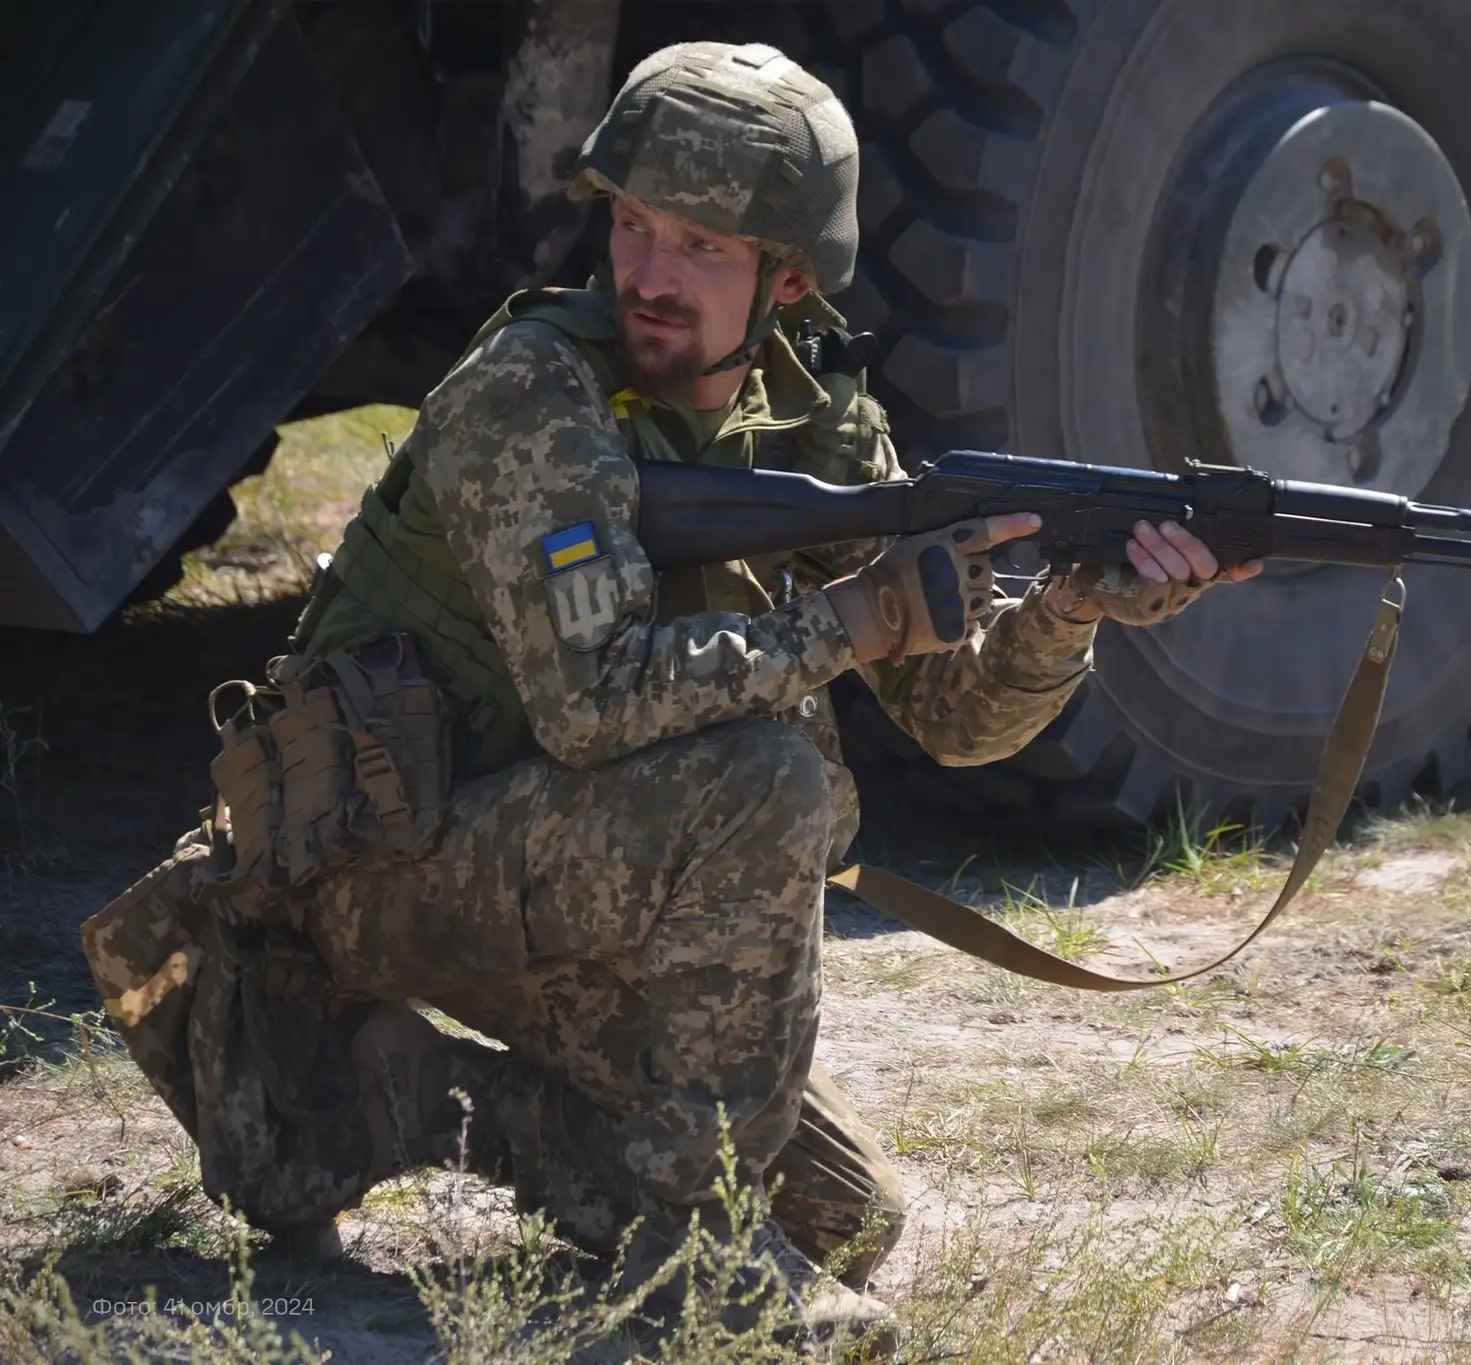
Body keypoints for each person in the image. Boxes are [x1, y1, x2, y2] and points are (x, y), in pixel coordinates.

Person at [81, 39, 1257, 1353]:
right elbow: (595, 704)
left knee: (850, 1221)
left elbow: (955, 721)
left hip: (560, 873)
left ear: (789, 275)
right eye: (636, 227)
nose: (647, 273)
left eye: (701, 245)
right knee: (770, 782)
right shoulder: (533, 398)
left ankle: (413, 1098)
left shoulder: (813, 427)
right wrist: (848, 619)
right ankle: (696, 1271)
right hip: (374, 855)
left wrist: (1066, 615)